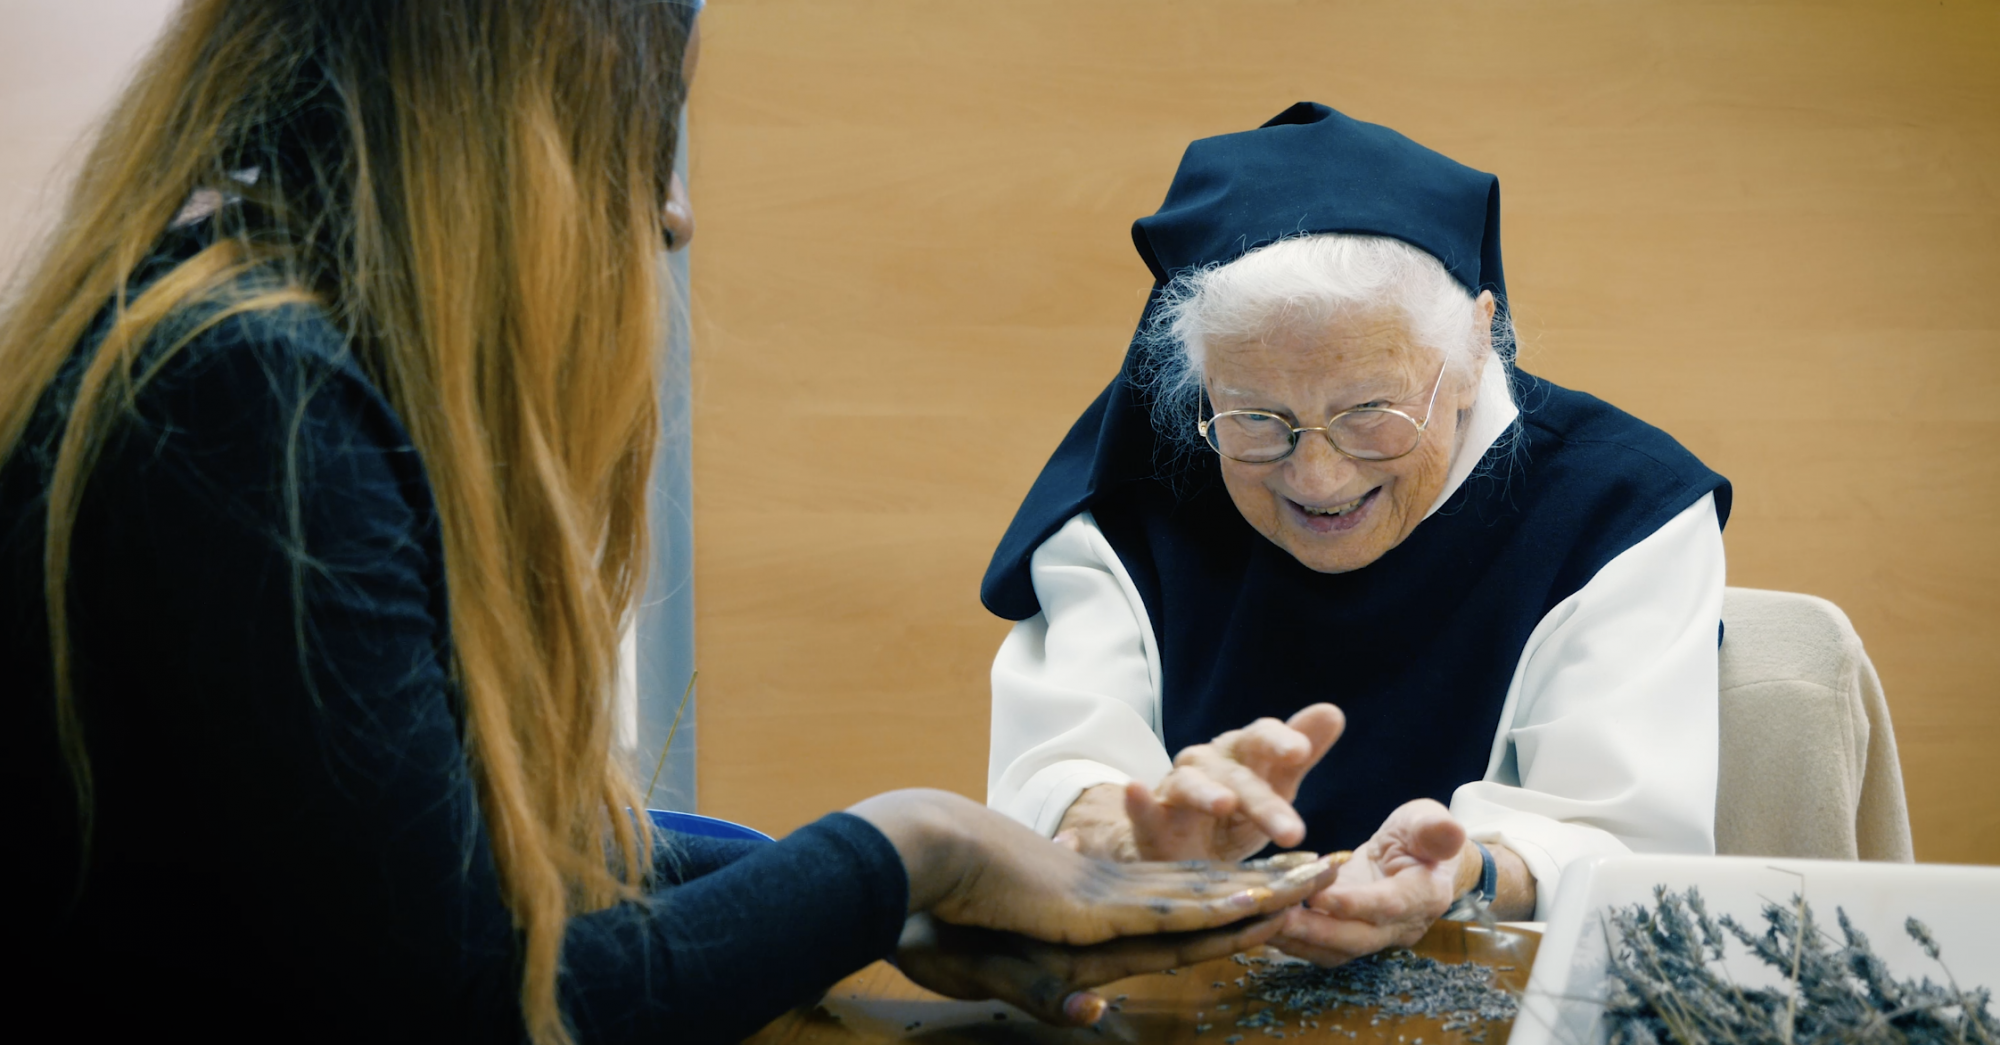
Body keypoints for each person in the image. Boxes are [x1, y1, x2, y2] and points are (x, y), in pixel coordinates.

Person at [0, 4, 1344, 1041]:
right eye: (645, 123)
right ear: (494, 112)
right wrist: (909, 850)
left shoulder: (218, 344)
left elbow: (428, 850)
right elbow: (485, 1000)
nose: (675, 210)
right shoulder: (250, 406)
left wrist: (862, 893)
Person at [983, 103, 1730, 962]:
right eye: (1258, 418)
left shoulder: (1622, 509)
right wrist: (1128, 834)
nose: (1317, 477)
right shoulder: (1130, 505)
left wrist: (1471, 873)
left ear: (1478, 347)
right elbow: (1055, 764)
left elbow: (1624, 835)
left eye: (1370, 413)